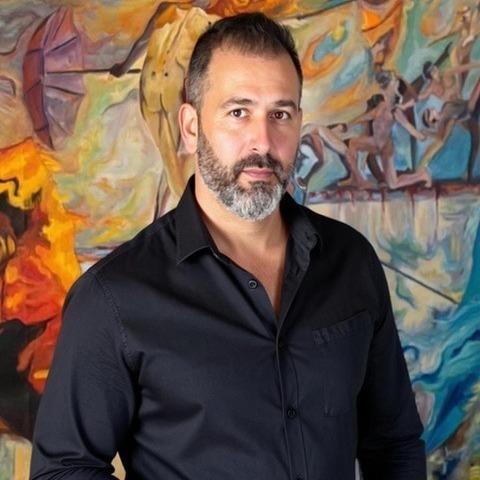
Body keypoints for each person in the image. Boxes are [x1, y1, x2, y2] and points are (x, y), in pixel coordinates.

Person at [30, 13, 427, 479]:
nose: (263, 141)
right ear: (191, 126)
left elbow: (394, 444)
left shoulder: (351, 262)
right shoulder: (113, 298)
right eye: (239, 112)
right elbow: (63, 470)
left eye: (280, 114)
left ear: (299, 122)